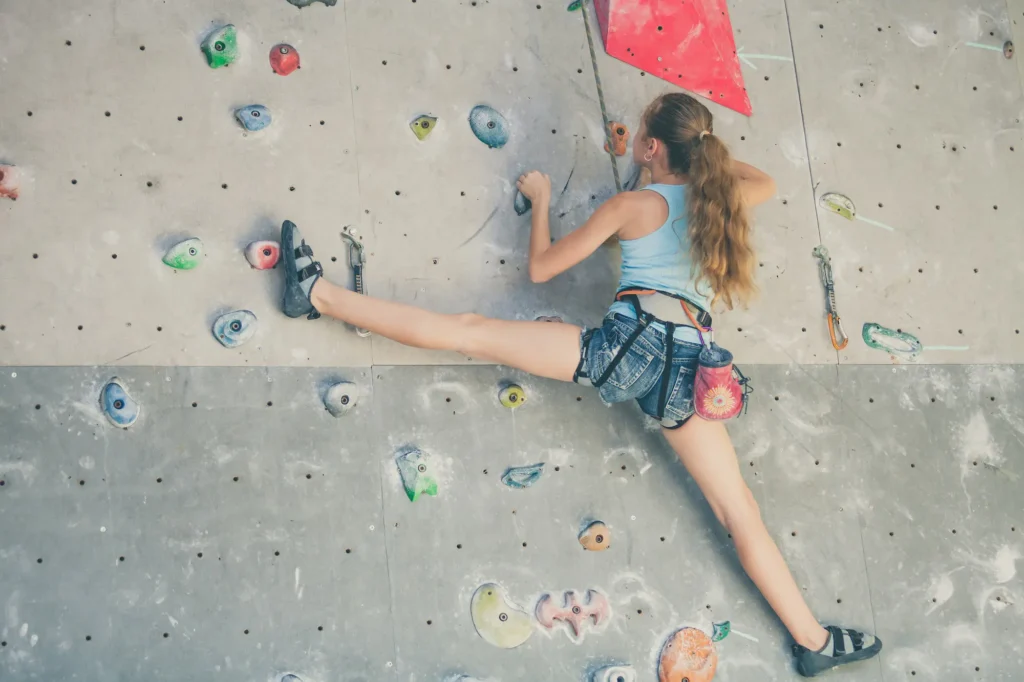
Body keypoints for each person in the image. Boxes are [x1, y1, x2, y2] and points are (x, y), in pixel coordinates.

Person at [277, 92, 882, 677]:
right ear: (703, 151)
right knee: (739, 512)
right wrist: (705, 165)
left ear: (648, 147)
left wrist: (541, 198)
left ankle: (319, 296)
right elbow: (764, 181)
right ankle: (815, 642)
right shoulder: (721, 200)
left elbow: (541, 268)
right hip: (691, 369)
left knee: (468, 332)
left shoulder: (633, 209)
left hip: (628, 347)